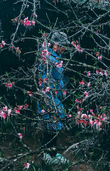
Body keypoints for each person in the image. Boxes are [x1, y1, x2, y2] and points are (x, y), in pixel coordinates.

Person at [38, 30, 70, 166]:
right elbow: (51, 79)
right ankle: (49, 155)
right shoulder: (50, 59)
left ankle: (50, 153)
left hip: (52, 95)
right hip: (50, 95)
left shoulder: (51, 57)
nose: (65, 48)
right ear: (56, 45)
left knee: (53, 123)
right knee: (52, 122)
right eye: (63, 45)